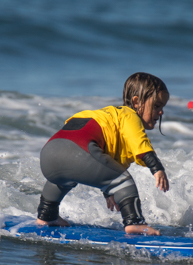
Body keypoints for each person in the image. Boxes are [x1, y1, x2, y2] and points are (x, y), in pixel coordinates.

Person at [36, 72, 170, 236]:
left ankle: (47, 215)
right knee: (123, 180)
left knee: (63, 178)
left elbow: (105, 162)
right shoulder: (129, 115)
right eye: (156, 106)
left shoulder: (105, 116)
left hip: (49, 153)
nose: (161, 112)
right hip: (77, 151)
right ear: (136, 102)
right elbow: (139, 145)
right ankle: (135, 223)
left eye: (162, 107)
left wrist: (108, 189)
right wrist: (157, 168)